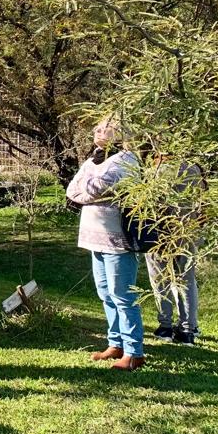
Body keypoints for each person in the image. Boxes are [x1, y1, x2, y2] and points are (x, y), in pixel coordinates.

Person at [67, 116, 145, 371]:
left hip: (117, 239)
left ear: (119, 133)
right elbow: (72, 189)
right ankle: (116, 343)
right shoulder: (94, 159)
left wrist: (88, 193)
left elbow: (95, 188)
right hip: (93, 238)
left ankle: (134, 352)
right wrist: (89, 193)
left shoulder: (126, 160)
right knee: (105, 293)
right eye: (97, 128)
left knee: (122, 295)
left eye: (103, 128)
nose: (97, 131)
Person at [146, 154, 205, 346]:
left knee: (160, 279)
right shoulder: (194, 169)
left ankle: (165, 326)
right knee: (186, 280)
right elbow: (202, 204)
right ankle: (188, 328)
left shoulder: (154, 171)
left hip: (159, 234)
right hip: (188, 232)